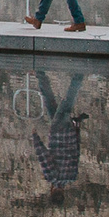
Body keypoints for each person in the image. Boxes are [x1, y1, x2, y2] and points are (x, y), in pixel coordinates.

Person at [31, 72, 86, 201]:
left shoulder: (72, 176)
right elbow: (43, 156)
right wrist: (35, 138)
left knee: (50, 103)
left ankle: (40, 75)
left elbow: (76, 152)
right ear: (51, 191)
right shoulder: (52, 177)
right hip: (57, 132)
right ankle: (79, 75)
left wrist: (77, 128)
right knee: (67, 103)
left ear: (63, 193)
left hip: (70, 133)